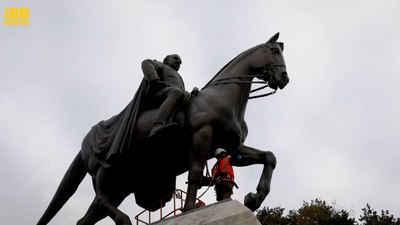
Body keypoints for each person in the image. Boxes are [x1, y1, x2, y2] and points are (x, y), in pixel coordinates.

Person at [141, 54, 191, 137]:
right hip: (160, 94)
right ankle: (158, 125)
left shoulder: (180, 78)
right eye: (175, 58)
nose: (178, 62)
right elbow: (146, 63)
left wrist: (192, 93)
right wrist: (154, 80)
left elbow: (181, 92)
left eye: (180, 62)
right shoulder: (162, 66)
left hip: (175, 96)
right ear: (167, 59)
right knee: (176, 92)